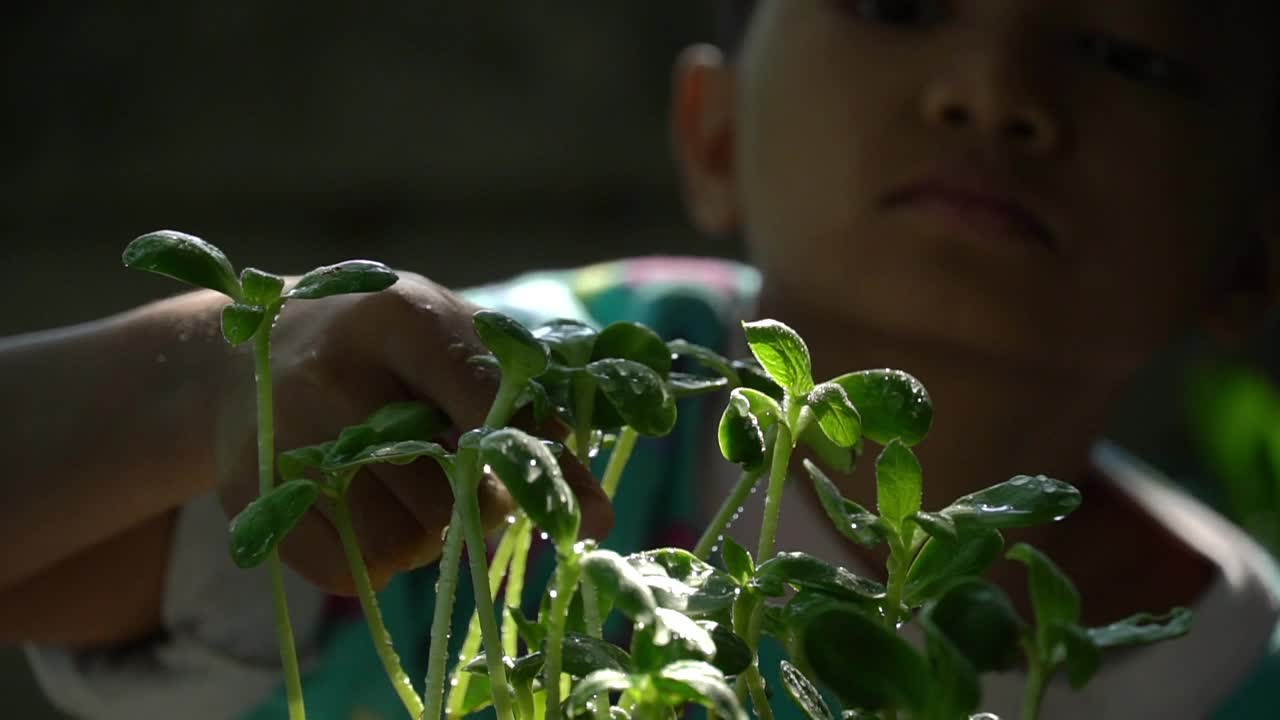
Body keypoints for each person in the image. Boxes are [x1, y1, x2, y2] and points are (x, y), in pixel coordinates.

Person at [4, 0, 1280, 717]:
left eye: (1127, 53)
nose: (991, 86)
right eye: (894, 2)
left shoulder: (1240, 671)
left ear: (1254, 254)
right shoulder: (487, 404)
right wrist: (208, 382)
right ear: (709, 134)